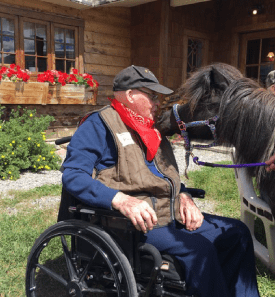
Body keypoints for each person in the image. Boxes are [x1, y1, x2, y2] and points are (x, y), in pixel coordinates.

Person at [61, 65, 260, 297]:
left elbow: (161, 174)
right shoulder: (99, 124)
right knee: (199, 250)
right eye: (152, 96)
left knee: (237, 233)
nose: (158, 104)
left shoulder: (151, 129)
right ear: (131, 95)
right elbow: (73, 175)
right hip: (135, 224)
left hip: (170, 212)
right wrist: (121, 200)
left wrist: (183, 195)